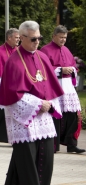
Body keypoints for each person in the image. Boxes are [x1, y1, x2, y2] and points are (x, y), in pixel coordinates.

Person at [0, 21, 64, 185]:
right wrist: (38, 104)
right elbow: (12, 94)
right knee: (27, 168)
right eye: (33, 39)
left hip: (44, 120)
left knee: (46, 161)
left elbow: (51, 86)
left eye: (39, 38)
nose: (37, 42)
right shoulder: (13, 62)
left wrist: (49, 104)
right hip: (25, 123)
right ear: (22, 38)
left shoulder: (42, 57)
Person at [41, 25, 85, 154]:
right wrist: (60, 70)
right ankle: (53, 145)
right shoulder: (45, 50)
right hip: (54, 87)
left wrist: (72, 70)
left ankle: (72, 144)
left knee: (72, 115)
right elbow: (44, 70)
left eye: (65, 37)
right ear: (54, 36)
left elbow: (73, 66)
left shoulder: (66, 50)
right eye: (61, 37)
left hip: (68, 87)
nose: (63, 40)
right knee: (55, 115)